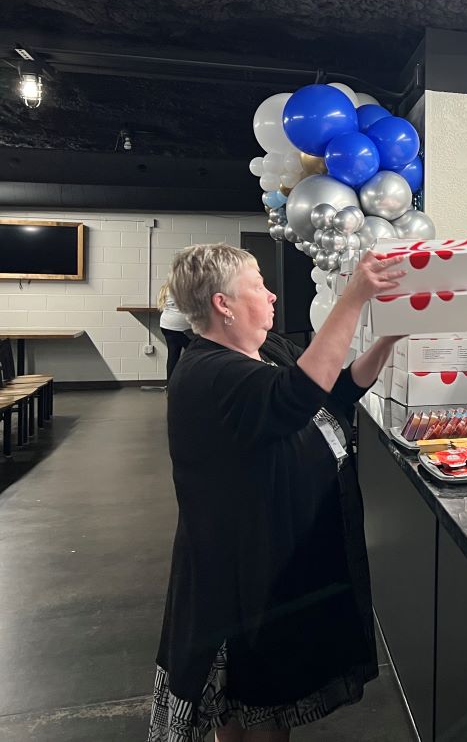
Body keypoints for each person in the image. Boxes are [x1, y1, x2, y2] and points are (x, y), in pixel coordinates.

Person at [148, 243, 408, 742]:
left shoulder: (267, 351)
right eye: (258, 286)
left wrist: (387, 340)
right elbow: (296, 397)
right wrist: (353, 298)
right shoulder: (209, 372)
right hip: (241, 576)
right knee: (250, 703)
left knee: (266, 704)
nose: (271, 295)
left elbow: (336, 390)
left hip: (275, 563)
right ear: (223, 304)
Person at [157, 282, 192, 382]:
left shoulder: (166, 287)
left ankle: (170, 385)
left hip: (166, 326)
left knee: (173, 355)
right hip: (180, 328)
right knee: (195, 352)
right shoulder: (184, 288)